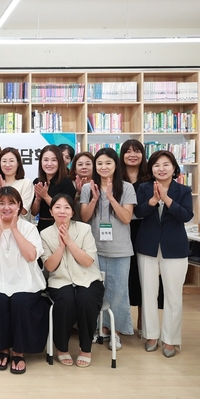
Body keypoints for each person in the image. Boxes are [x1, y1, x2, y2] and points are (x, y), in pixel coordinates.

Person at [0, 186, 48, 375]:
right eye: (2, 203)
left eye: (11, 203)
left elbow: (31, 255)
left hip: (27, 281)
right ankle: (3, 350)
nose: (6, 207)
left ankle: (19, 352)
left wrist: (15, 229)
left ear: (19, 206)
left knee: (20, 302)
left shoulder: (30, 228)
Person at [134, 150, 193, 358]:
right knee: (148, 293)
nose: (161, 168)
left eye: (166, 164)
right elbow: (138, 213)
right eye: (157, 165)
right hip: (147, 246)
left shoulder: (183, 190)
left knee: (173, 295)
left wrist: (166, 199)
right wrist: (152, 201)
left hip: (175, 248)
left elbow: (186, 215)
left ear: (174, 168)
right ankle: (151, 335)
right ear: (151, 169)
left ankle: (170, 339)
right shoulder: (143, 188)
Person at [80, 148, 136, 350]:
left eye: (108, 163)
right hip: (93, 248)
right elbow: (85, 217)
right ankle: (98, 328)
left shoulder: (127, 188)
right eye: (100, 163)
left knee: (119, 292)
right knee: (96, 291)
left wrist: (111, 198)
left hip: (120, 249)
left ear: (115, 165)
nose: (103, 167)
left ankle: (115, 331)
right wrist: (95, 198)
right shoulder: (88, 188)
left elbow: (127, 218)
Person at [41, 194, 104, 368]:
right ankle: (61, 347)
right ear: (51, 211)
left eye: (67, 207)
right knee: (66, 301)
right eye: (58, 207)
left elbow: (87, 261)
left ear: (72, 212)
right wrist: (61, 247)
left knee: (86, 300)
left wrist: (69, 242)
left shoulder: (84, 229)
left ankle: (86, 348)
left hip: (88, 279)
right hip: (61, 280)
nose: (62, 211)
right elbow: (51, 267)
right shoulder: (45, 234)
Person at [120, 139, 160, 336]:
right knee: (125, 277)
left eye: (136, 151)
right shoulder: (117, 177)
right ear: (122, 155)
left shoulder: (149, 179)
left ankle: (143, 323)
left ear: (143, 155)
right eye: (128, 151)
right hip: (122, 229)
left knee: (145, 276)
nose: (132, 155)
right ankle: (122, 321)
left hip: (145, 230)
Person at [31, 145, 76, 232]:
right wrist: (38, 200)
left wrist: (45, 196)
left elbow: (64, 209)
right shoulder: (37, 181)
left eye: (54, 160)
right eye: (46, 160)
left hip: (60, 227)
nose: (49, 164)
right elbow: (34, 212)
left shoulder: (66, 182)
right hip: (41, 226)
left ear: (59, 162)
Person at [0, 147, 34, 219]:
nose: (7, 165)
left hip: (21, 227)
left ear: (18, 163)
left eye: (11, 161)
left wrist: (5, 192)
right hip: (1, 227)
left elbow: (24, 211)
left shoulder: (26, 183)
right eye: (4, 161)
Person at [69, 151, 95, 220]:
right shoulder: (69, 184)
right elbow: (66, 205)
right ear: (75, 169)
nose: (84, 167)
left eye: (88, 164)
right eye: (80, 164)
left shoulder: (98, 184)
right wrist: (78, 193)